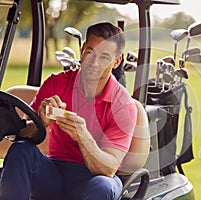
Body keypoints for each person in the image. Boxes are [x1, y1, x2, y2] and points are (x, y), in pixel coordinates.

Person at [0, 22, 137, 200]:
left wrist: (83, 136)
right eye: (90, 52)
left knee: (103, 185)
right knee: (21, 150)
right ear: (82, 49)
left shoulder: (123, 105)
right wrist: (40, 122)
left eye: (104, 57)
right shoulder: (56, 83)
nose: (94, 63)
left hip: (94, 178)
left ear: (116, 61)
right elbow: (24, 133)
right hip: (55, 171)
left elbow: (108, 168)